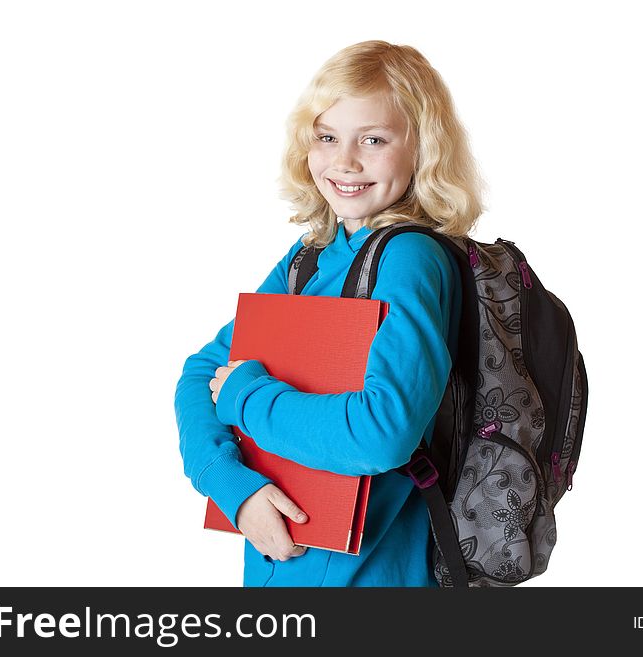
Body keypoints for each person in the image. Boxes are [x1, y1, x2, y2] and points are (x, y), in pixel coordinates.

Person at [174, 40, 485, 586]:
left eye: (374, 139)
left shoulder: (409, 259)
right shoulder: (312, 254)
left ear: (423, 148)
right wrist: (230, 486)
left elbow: (380, 433)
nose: (345, 161)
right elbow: (202, 374)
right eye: (327, 137)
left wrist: (247, 397)